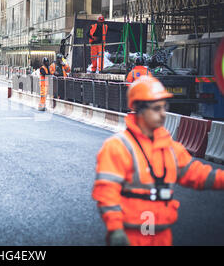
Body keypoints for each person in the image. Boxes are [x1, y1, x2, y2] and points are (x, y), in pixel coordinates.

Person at [92, 76, 224, 246]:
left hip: (162, 237)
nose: (163, 114)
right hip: (130, 236)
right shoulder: (117, 147)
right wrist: (115, 229)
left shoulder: (170, 148)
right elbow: (107, 192)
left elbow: (198, 175)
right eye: (156, 109)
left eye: (164, 107)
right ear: (139, 110)